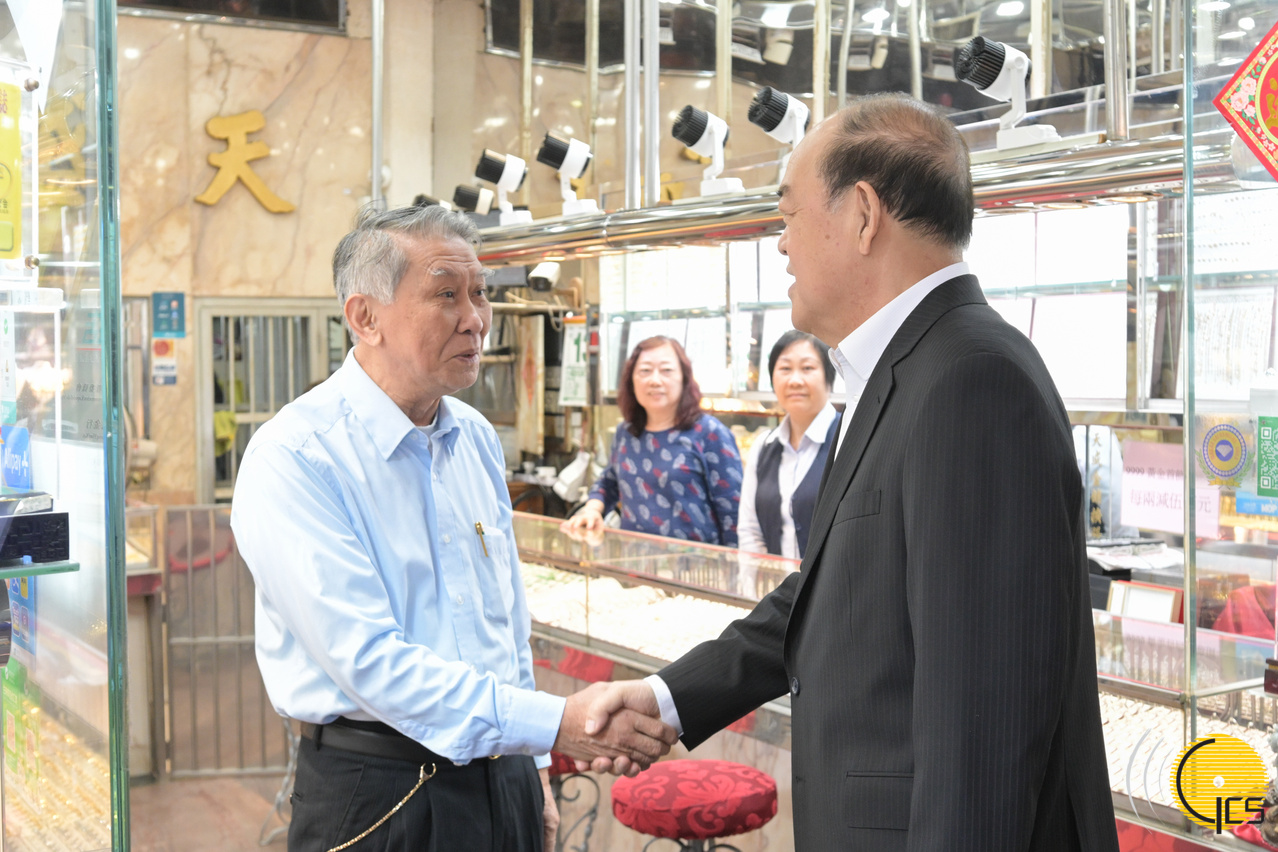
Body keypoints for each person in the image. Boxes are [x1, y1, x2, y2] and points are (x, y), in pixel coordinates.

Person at [577, 94, 1120, 852]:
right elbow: (833, 594)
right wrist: (668, 698)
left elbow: (983, 730)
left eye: (788, 215)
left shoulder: (971, 381)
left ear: (863, 215)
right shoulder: (901, 371)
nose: (781, 245)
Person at [230, 204, 676, 852]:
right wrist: (556, 725)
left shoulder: (473, 437)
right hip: (381, 790)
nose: (475, 319)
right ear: (365, 317)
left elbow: (505, 621)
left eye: (480, 293)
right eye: (446, 295)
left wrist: (536, 769)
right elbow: (370, 661)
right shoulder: (297, 457)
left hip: (505, 772)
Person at [562, 335, 743, 546]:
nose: (655, 380)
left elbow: (734, 510)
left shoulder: (709, 432)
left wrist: (735, 562)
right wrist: (593, 509)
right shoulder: (626, 432)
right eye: (645, 371)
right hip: (633, 560)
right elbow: (609, 481)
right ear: (631, 380)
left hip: (695, 563)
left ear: (684, 377)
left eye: (666, 370)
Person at [737, 330, 840, 559]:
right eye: (785, 368)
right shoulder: (763, 446)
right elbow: (750, 530)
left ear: (829, 376)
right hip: (774, 581)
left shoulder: (848, 439)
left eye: (807, 368)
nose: (795, 380)